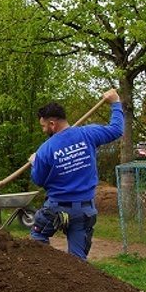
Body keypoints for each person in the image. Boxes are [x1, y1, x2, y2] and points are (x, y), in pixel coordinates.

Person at [27, 89, 123, 260]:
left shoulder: (45, 150)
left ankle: (45, 274)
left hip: (56, 208)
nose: (43, 130)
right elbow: (116, 129)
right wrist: (115, 103)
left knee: (38, 237)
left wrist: (35, 162)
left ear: (52, 124)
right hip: (84, 210)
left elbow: (39, 180)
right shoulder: (88, 134)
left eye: (43, 126)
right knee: (78, 260)